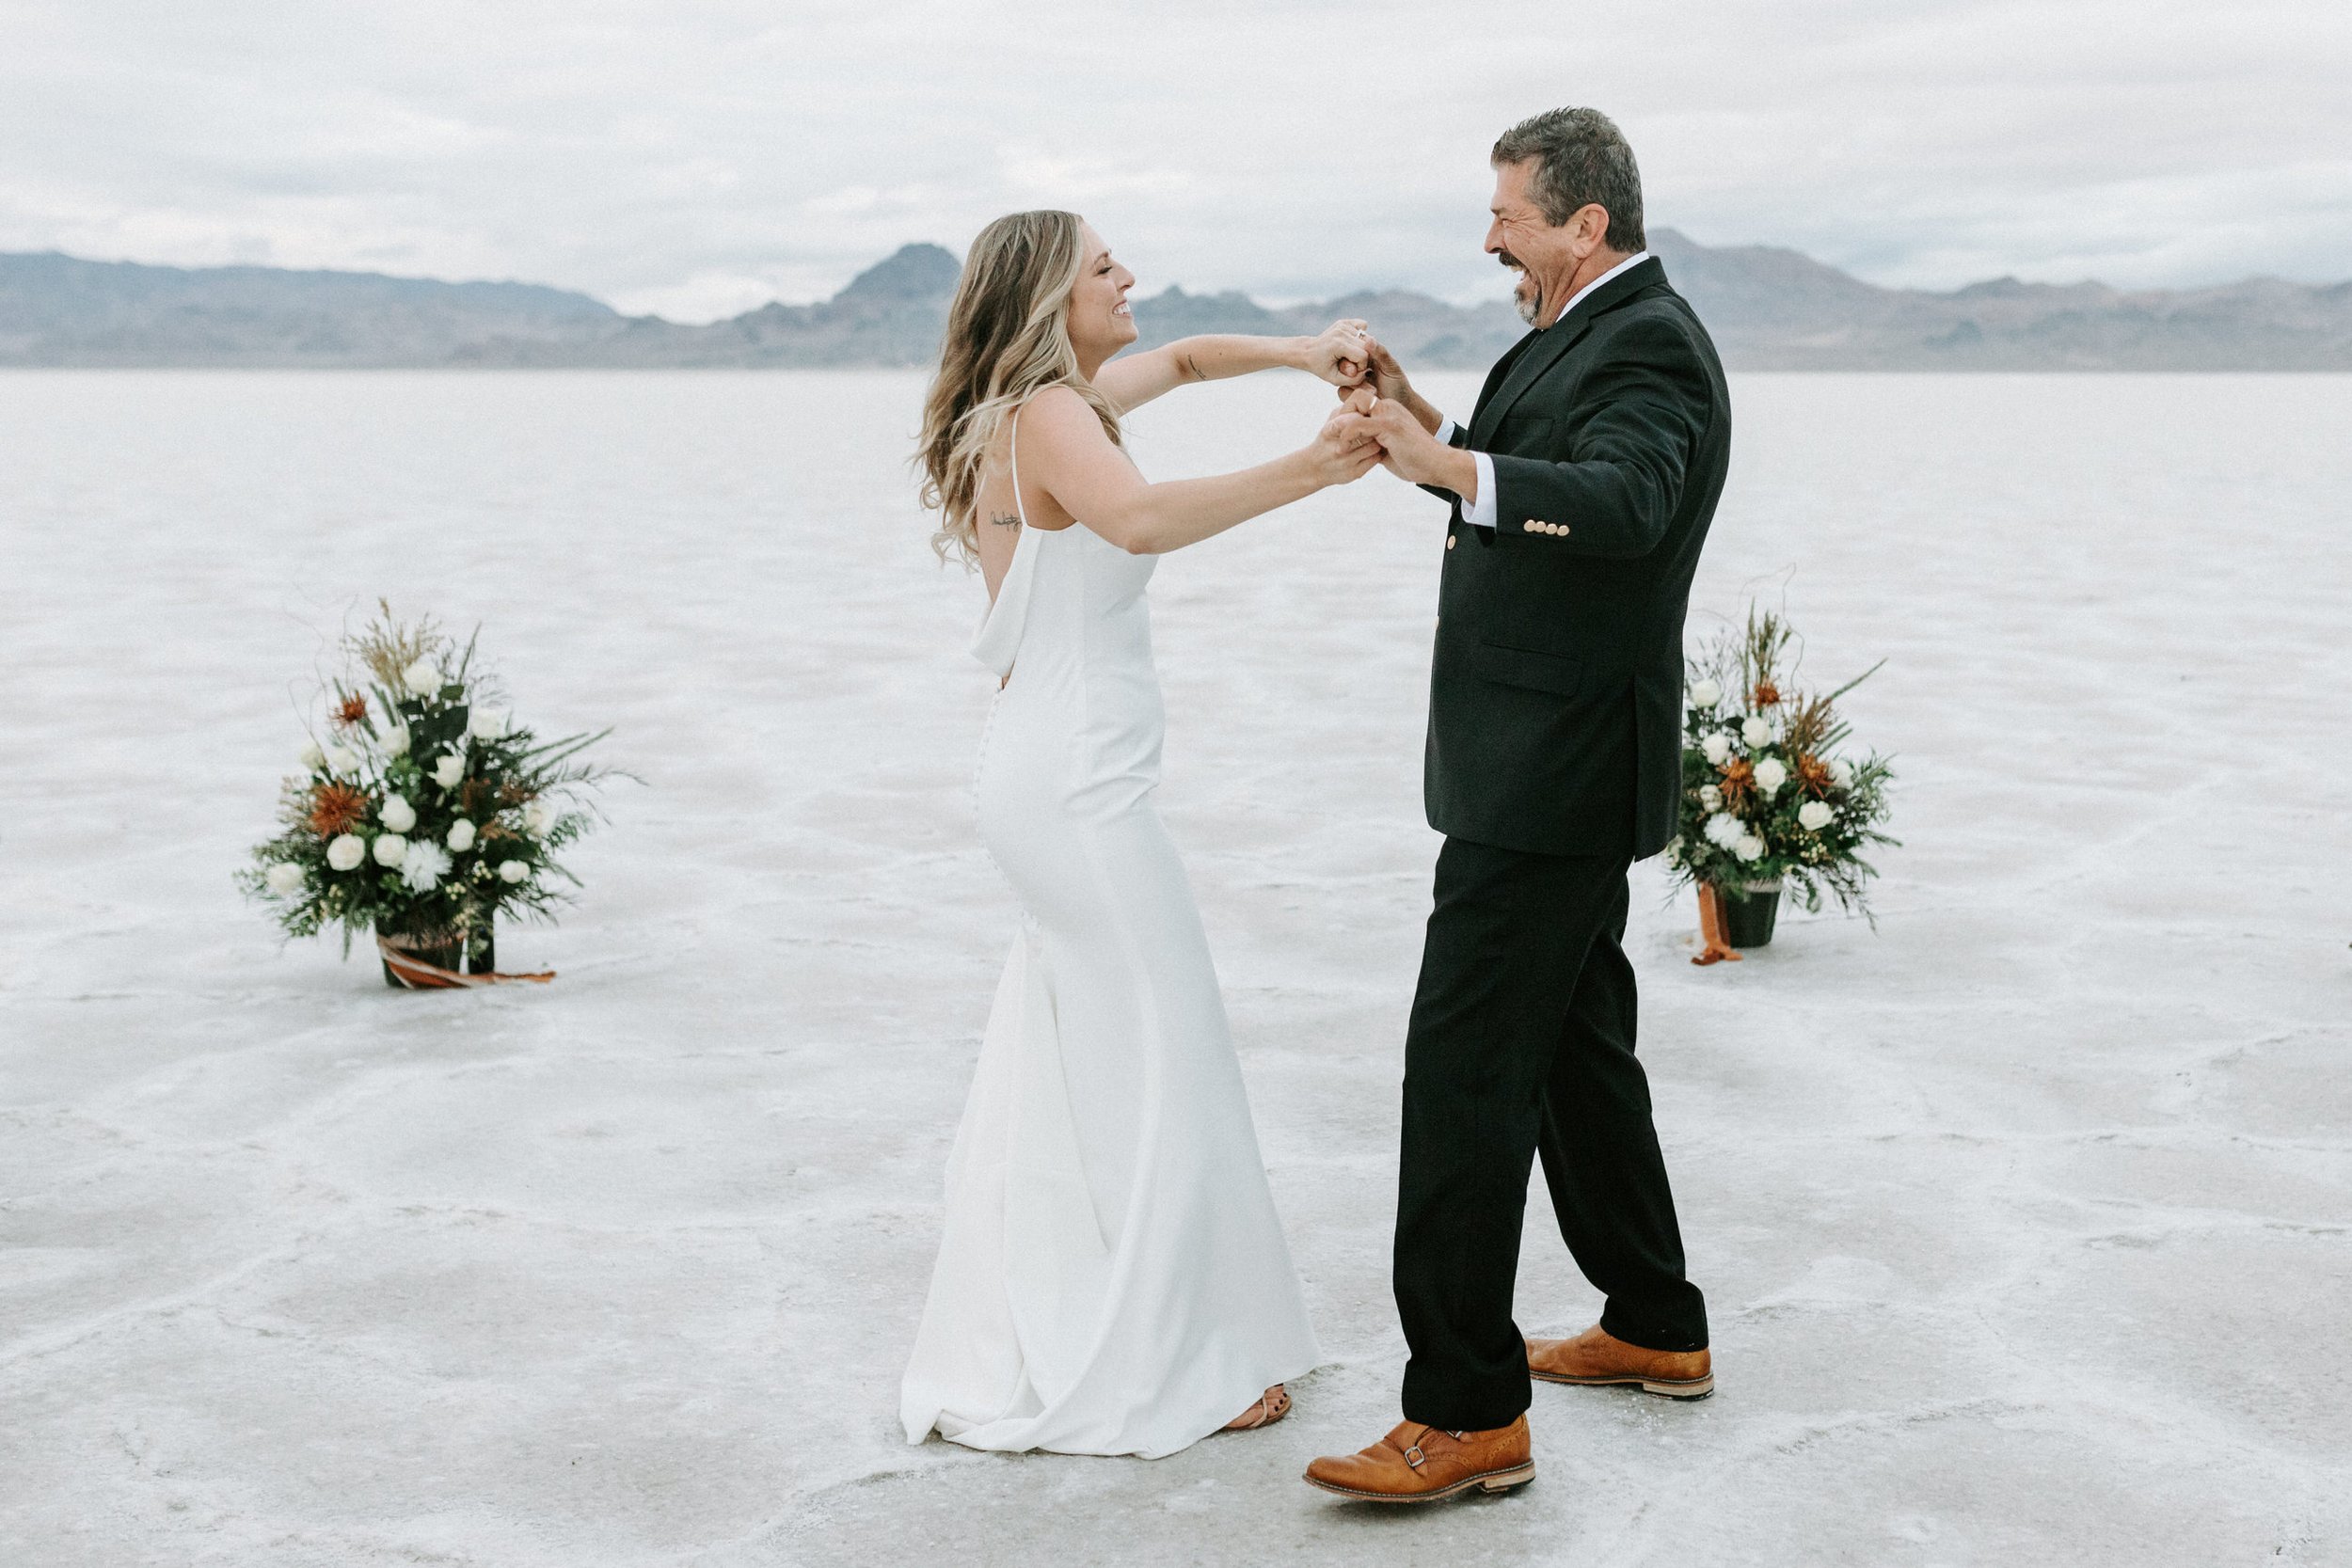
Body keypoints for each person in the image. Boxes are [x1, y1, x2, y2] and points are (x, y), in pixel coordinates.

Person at [899, 208, 1384, 1458]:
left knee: (1106, 1051)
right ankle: (1177, 1359)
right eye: (1105, 266)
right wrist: (1315, 468)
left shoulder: (1039, 405)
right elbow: (1142, 521)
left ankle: (1109, 1317)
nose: (1130, 280)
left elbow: (1182, 362)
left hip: (1048, 776)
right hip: (1078, 792)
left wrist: (1296, 354)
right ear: (1055, 294)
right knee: (1163, 1051)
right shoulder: (1055, 417)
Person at [1304, 105, 1732, 1504]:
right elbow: (1514, 462)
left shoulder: (1652, 341)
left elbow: (1621, 502)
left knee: (1467, 1073)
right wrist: (1421, 418)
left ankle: (1468, 1411)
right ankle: (1655, 1324)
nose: (1490, 234)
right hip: (1532, 758)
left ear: (1585, 222)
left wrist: (1446, 465)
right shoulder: (1573, 330)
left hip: (1551, 777)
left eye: (1508, 214)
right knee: (1572, 1055)